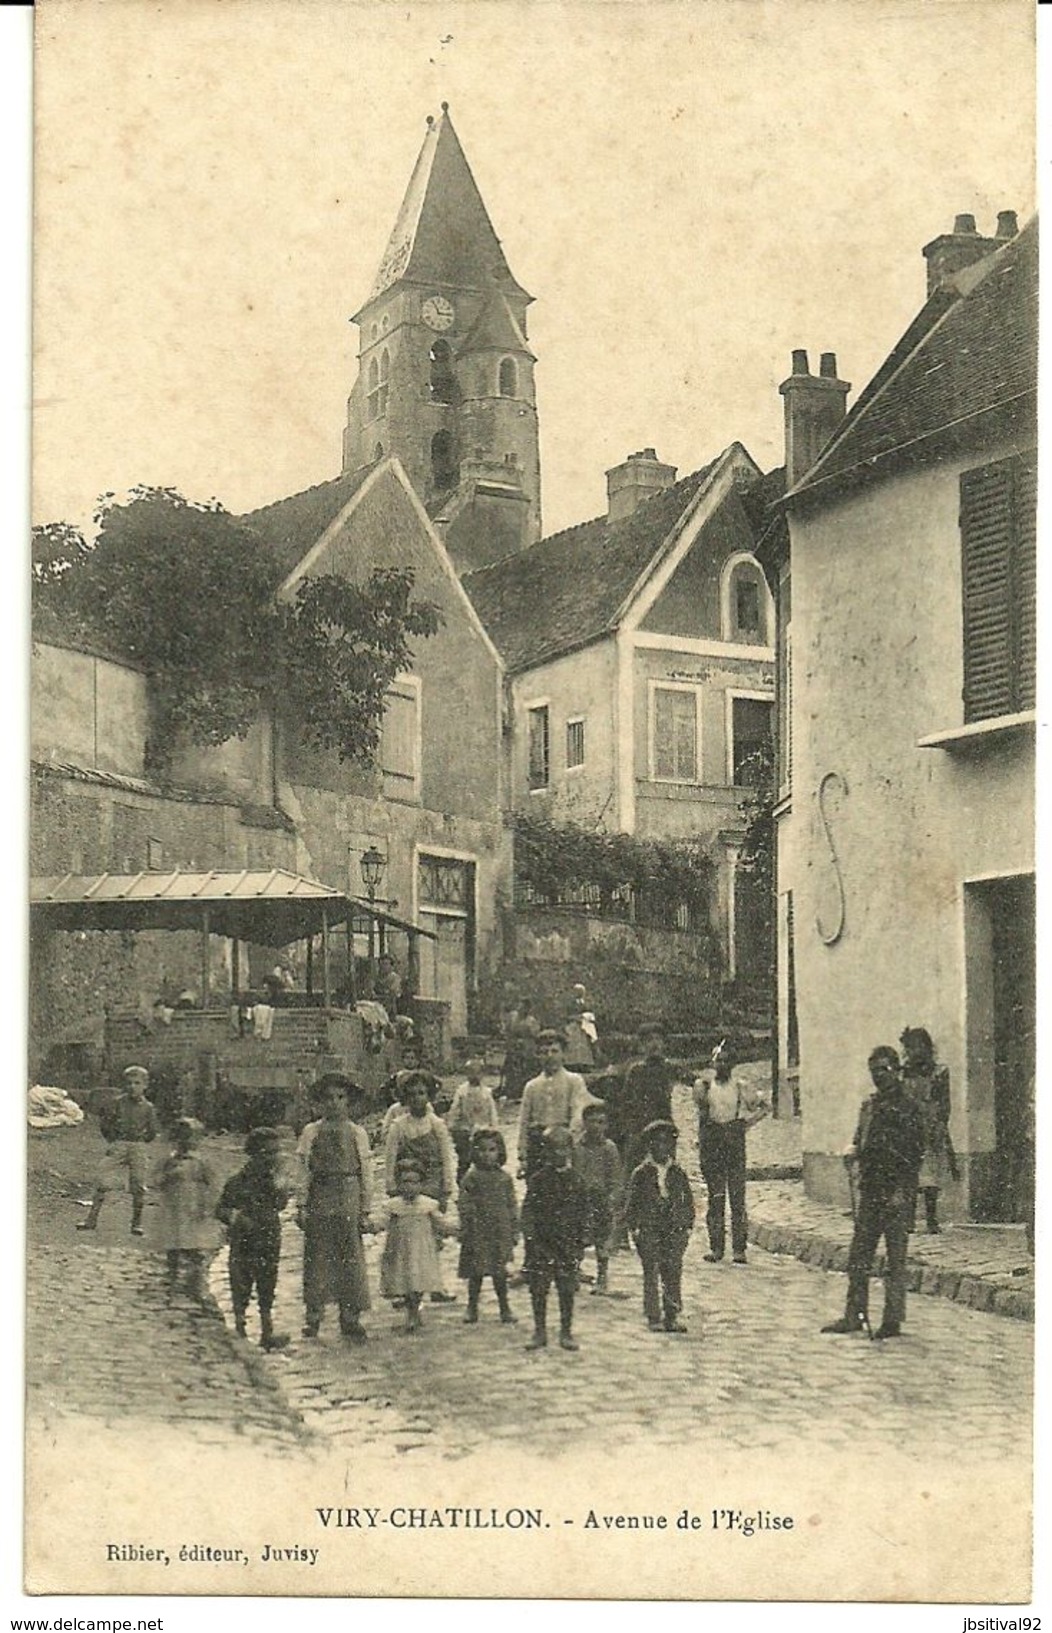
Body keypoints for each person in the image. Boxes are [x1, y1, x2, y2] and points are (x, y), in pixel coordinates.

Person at [821, 1045, 926, 1341]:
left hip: (896, 1193)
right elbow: (860, 1138)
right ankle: (854, 1314)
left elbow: (915, 1154)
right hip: (870, 1190)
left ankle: (892, 1321)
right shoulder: (869, 1106)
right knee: (859, 1256)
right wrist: (852, 1152)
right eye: (874, 1072)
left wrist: (903, 1191)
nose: (878, 1077)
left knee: (895, 1260)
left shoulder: (910, 1108)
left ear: (896, 1070)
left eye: (883, 1070)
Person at [297, 1075, 373, 1342]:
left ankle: (350, 1315)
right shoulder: (311, 1132)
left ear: (348, 1102)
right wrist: (301, 1204)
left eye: (340, 1098)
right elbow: (304, 1170)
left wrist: (365, 1208)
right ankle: (314, 1316)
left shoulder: (357, 1133)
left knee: (350, 1254)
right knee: (317, 1256)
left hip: (348, 1193)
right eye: (328, 1098)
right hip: (321, 1193)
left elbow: (366, 1171)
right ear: (320, 1102)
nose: (334, 1103)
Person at [215, 1125, 291, 1350]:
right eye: (268, 1153)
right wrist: (237, 1219)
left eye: (276, 1153)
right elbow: (221, 1209)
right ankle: (239, 1329)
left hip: (269, 1235)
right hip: (244, 1239)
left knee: (268, 1282)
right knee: (241, 1283)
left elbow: (280, 1204)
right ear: (255, 1154)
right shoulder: (237, 1181)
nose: (272, 1158)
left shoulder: (272, 1180)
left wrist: (281, 1184)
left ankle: (267, 1332)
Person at [693, 1040, 770, 1265]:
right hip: (713, 1142)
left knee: (737, 1197)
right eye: (719, 1061)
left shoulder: (739, 1087)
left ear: (733, 1065)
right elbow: (701, 1115)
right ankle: (716, 1248)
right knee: (716, 1197)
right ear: (713, 1063)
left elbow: (764, 1106)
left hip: (734, 1141)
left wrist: (745, 1124)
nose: (723, 1065)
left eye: (727, 1061)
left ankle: (739, 1249)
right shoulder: (705, 1087)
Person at [384, 1070, 458, 1301]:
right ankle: (404, 1287)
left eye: (422, 1093)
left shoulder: (436, 1124)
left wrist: (447, 1186)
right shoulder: (399, 1126)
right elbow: (390, 1157)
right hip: (409, 1182)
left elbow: (446, 1155)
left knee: (433, 1235)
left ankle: (435, 1284)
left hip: (432, 1183)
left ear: (429, 1096)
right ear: (405, 1098)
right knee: (404, 1238)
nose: (417, 1098)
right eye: (412, 1094)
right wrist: (391, 1185)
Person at [520, 1125, 591, 1352]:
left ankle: (566, 1331)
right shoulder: (538, 1180)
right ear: (545, 1152)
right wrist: (530, 1235)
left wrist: (582, 1239)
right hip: (541, 1243)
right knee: (539, 1288)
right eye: (552, 1150)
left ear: (571, 1150)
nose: (558, 1154)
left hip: (567, 1244)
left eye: (563, 1149)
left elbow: (584, 1211)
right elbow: (529, 1209)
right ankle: (539, 1330)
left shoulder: (577, 1180)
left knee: (566, 1288)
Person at [625, 1119, 696, 1333]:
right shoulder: (642, 1173)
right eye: (658, 1142)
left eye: (667, 1143)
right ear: (650, 1145)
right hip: (649, 1227)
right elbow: (632, 1204)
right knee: (651, 1270)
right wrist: (635, 1229)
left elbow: (688, 1202)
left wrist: (686, 1227)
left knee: (672, 1269)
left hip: (672, 1227)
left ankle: (672, 1314)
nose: (663, 1147)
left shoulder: (678, 1173)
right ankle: (653, 1315)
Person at [374, 1158, 457, 1334]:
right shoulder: (393, 1206)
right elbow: (382, 1221)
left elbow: (440, 1223)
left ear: (421, 1184)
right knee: (404, 1282)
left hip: (421, 1251)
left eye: (414, 1182)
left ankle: (413, 1314)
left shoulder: (428, 1205)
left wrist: (455, 1229)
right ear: (398, 1183)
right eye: (405, 1182)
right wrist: (370, 1225)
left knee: (417, 1283)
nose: (409, 1186)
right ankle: (413, 1314)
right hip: (399, 1251)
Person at [77, 1064, 160, 1235]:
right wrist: (114, 1141)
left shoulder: (148, 1108)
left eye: (137, 1083)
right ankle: (91, 1219)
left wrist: (140, 1142)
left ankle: (136, 1223)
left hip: (138, 1146)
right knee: (102, 1179)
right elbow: (106, 1124)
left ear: (145, 1085)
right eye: (129, 1083)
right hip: (119, 1144)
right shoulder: (117, 1103)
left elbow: (152, 1131)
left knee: (138, 1184)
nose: (132, 1087)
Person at [597, 1023, 683, 1174]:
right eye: (649, 1040)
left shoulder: (669, 1068)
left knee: (666, 1170)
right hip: (639, 1128)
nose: (654, 1044)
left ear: (664, 1044)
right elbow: (626, 1100)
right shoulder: (636, 1070)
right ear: (642, 1045)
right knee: (634, 1170)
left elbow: (694, 1081)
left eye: (658, 1039)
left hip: (663, 1127)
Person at [457, 1129, 519, 1325]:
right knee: (476, 1272)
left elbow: (512, 1205)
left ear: (499, 1152)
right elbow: (464, 1203)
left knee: (499, 1271)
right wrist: (469, 1222)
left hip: (499, 1232)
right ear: (474, 1152)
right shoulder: (471, 1177)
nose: (487, 1154)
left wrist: (514, 1230)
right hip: (478, 1231)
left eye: (492, 1150)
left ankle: (504, 1307)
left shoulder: (504, 1178)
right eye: (481, 1150)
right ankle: (472, 1306)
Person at [899, 1027, 958, 1233]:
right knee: (909, 1174)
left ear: (927, 1047)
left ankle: (932, 1219)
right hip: (908, 1128)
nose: (914, 1052)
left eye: (918, 1047)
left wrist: (940, 1123)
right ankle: (909, 1220)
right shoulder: (902, 1073)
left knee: (931, 1175)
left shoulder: (939, 1072)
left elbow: (944, 1102)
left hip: (931, 1129)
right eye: (909, 1048)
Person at [517, 1030, 593, 1180]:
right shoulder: (532, 1086)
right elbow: (524, 1120)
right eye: (544, 1052)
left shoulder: (574, 1081)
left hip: (563, 1143)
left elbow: (577, 1114)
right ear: (538, 1055)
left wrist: (570, 1144)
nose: (550, 1056)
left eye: (555, 1051)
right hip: (538, 1144)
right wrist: (522, 1154)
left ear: (563, 1054)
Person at [153, 1118, 214, 1304]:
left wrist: (207, 1205)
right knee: (174, 1243)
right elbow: (156, 1181)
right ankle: (172, 1277)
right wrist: (169, 1175)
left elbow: (211, 1183)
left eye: (194, 1139)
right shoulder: (168, 1161)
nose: (189, 1143)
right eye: (184, 1139)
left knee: (194, 1246)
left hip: (194, 1206)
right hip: (173, 1207)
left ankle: (194, 1283)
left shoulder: (201, 1161)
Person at [572, 1102, 621, 1295]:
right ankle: (574, 1272)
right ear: (584, 1123)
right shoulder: (577, 1147)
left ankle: (602, 1278)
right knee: (577, 1239)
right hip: (581, 1200)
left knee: (602, 1241)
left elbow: (616, 1178)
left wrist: (612, 1199)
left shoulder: (610, 1149)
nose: (596, 1126)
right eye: (592, 1122)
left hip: (601, 1200)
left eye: (601, 1122)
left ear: (607, 1125)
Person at [445, 1058, 499, 1181]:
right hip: (465, 1131)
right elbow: (455, 1110)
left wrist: (494, 1129)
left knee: (482, 1159)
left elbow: (492, 1111)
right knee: (464, 1160)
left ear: (483, 1074)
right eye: (471, 1072)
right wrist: (452, 1126)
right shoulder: (462, 1091)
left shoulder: (486, 1092)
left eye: (478, 1072)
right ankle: (462, 1184)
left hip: (481, 1130)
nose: (474, 1075)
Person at [498, 997, 540, 1104]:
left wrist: (527, 1039)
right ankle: (511, 1091)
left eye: (525, 1007)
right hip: (514, 1046)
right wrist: (509, 1041)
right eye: (520, 1006)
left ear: (528, 1009)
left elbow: (535, 1035)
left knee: (525, 1068)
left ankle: (523, 1092)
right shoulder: (513, 1017)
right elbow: (507, 1030)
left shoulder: (531, 1020)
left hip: (527, 1047)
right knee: (512, 1068)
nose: (521, 1009)